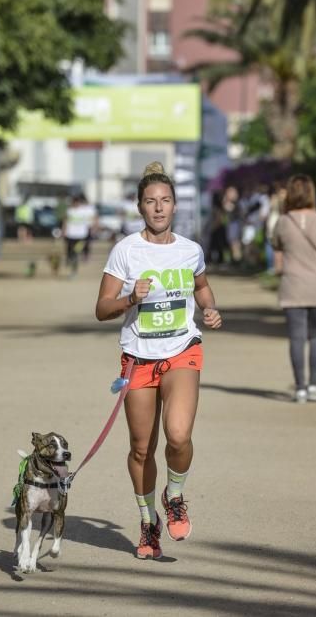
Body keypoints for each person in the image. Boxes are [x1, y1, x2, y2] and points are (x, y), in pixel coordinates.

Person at [95, 162, 222, 560]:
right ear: (139, 207)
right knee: (140, 449)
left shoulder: (190, 250)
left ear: (175, 205)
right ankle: (148, 523)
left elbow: (201, 286)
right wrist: (131, 297)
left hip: (183, 349)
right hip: (139, 359)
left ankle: (175, 495)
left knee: (179, 436)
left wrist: (210, 308)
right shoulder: (126, 251)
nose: (158, 208)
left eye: (165, 200)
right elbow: (101, 308)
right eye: (150, 201)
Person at [271, 174, 316, 404]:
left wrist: (280, 267)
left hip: (292, 285)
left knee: (297, 338)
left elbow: (277, 247)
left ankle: (300, 388)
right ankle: (314, 384)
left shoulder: (283, 221)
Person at [63, 194, 97, 277]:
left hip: (81, 236)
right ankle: (71, 266)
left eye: (77, 202)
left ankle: (74, 272)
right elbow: (65, 221)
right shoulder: (69, 211)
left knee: (75, 253)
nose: (75, 204)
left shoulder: (85, 210)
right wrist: (64, 231)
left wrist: (93, 228)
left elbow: (94, 218)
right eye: (74, 202)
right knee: (70, 254)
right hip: (70, 236)